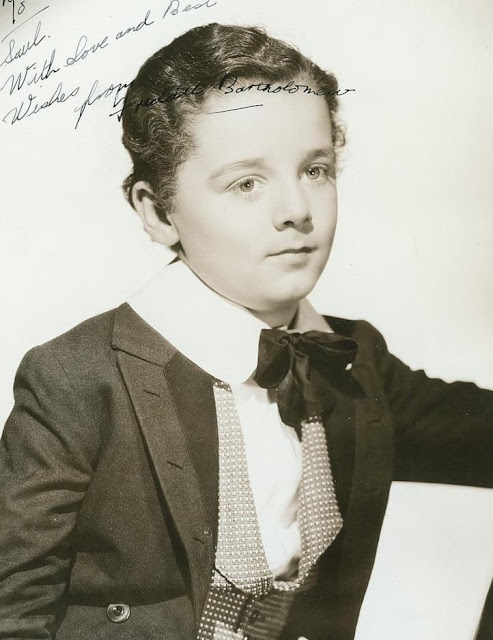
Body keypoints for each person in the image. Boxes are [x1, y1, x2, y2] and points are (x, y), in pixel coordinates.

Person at [0, 22, 492, 640]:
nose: (296, 210)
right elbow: (12, 614)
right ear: (157, 211)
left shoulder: (351, 358)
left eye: (315, 170)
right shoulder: (79, 377)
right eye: (246, 183)